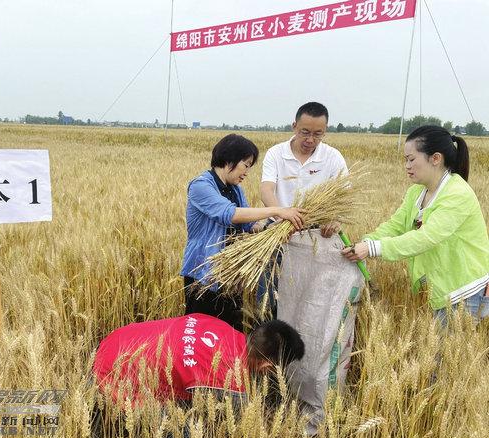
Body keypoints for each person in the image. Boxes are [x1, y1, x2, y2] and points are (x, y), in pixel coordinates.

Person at [342, 125, 489, 326]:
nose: (407, 166)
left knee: (445, 357)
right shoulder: (417, 192)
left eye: (411, 159)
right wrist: (366, 241)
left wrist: (372, 249)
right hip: (438, 291)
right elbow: (396, 226)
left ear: (435, 158)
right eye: (405, 160)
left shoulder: (458, 194)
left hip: (464, 293)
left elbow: (426, 237)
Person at [180, 134, 305, 331]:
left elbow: (249, 225)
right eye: (245, 165)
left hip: (230, 274)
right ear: (229, 159)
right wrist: (278, 210)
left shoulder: (235, 189)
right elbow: (229, 214)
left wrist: (272, 229)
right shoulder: (201, 186)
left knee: (229, 333)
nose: (246, 172)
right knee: (200, 335)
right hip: (203, 275)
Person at [258, 102, 348, 317]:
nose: (310, 140)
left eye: (318, 134)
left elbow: (344, 195)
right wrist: (281, 214)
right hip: (278, 232)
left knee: (310, 300)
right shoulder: (276, 154)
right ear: (294, 126)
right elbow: (266, 189)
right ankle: (266, 347)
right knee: (269, 297)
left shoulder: (332, 157)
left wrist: (336, 219)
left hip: (316, 237)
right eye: (304, 132)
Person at [93, 313, 305, 404]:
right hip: (112, 377)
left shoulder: (223, 328)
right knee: (183, 432)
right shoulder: (230, 386)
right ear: (267, 365)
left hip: (115, 341)